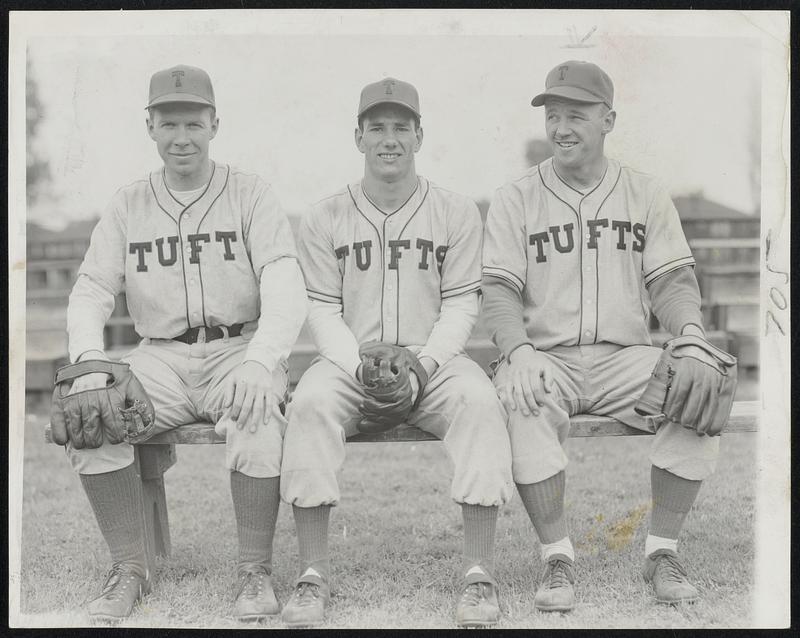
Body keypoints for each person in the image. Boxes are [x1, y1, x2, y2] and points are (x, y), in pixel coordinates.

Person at [61, 64, 307, 622]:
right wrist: (90, 360)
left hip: (236, 348)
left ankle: (254, 572)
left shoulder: (249, 193)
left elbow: (284, 283)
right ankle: (130, 569)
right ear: (149, 126)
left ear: (214, 123)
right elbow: (93, 288)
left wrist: (262, 361)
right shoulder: (128, 204)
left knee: (258, 410)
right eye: (168, 123)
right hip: (159, 355)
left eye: (193, 123)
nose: (181, 137)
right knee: (92, 413)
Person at [481, 60, 722, 611]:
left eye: (577, 115)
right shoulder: (516, 197)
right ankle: (556, 557)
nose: (561, 127)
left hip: (626, 359)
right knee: (521, 398)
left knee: (699, 383)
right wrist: (516, 353)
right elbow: (498, 292)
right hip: (546, 357)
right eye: (554, 115)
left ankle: (662, 551)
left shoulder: (644, 192)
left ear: (608, 119)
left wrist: (688, 334)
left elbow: (672, 282)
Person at [278, 77, 514, 628]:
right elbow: (320, 308)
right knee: (308, 406)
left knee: (480, 405)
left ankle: (479, 575)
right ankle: (311, 575)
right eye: (377, 127)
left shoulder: (455, 212)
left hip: (434, 358)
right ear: (358, 136)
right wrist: (357, 364)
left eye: (401, 127)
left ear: (419, 135)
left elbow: (460, 307)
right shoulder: (323, 216)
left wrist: (423, 366)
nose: (390, 139)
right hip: (348, 360)